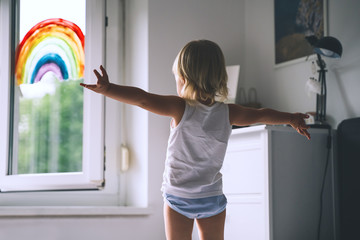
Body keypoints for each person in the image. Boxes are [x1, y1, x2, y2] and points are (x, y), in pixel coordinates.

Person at [80, 40, 310, 240]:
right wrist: (290, 118)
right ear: (219, 77)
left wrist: (108, 89)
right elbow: (261, 115)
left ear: (183, 78)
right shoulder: (228, 112)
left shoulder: (180, 107)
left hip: (178, 198)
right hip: (212, 198)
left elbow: (143, 100)